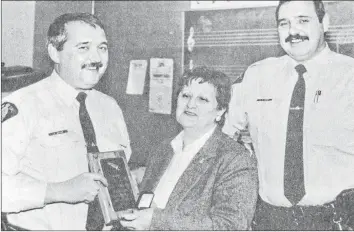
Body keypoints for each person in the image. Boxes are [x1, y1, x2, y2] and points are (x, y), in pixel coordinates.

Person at [223, 0, 354, 230]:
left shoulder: (349, 76)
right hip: (270, 221)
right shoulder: (256, 76)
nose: (293, 31)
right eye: (284, 23)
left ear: (325, 23)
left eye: (303, 21)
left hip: (338, 221)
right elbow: (222, 140)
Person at [1, 13, 131, 230]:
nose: (97, 58)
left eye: (103, 48)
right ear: (55, 52)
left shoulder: (110, 108)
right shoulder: (23, 105)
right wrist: (58, 191)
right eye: (83, 48)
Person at [118, 66, 258, 230]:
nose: (191, 104)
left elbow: (230, 226)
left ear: (220, 110)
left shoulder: (235, 159)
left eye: (202, 99)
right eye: (186, 96)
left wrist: (155, 221)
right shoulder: (164, 149)